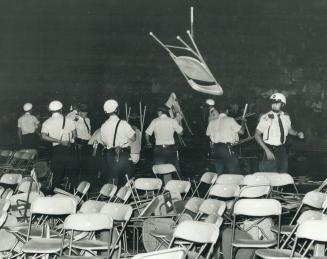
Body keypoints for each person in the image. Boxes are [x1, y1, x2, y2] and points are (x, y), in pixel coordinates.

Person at [255, 93, 304, 172]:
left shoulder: (286, 117)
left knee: (282, 177)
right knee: (270, 178)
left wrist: (297, 133)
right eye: (272, 103)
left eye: (277, 103)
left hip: (282, 150)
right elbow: (257, 135)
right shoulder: (265, 117)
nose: (274, 105)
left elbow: (289, 129)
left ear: (282, 104)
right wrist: (267, 150)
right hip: (270, 150)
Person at [41, 100, 78, 190]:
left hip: (57, 150)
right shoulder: (69, 120)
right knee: (72, 175)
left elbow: (43, 136)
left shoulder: (46, 122)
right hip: (69, 149)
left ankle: (55, 196)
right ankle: (73, 194)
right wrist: (70, 141)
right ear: (61, 110)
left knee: (57, 175)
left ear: (50, 110)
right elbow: (75, 135)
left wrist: (59, 141)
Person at [100, 99, 136, 186]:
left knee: (112, 176)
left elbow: (104, 142)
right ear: (116, 110)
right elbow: (134, 138)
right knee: (124, 178)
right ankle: (122, 197)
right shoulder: (124, 123)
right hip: (122, 153)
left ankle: (112, 197)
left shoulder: (104, 125)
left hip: (109, 153)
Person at [145, 106, 183, 182]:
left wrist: (148, 142)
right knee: (175, 169)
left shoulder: (155, 121)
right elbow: (181, 133)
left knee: (158, 171)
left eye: (157, 113)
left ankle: (158, 188)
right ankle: (178, 187)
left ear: (160, 112)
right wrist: (179, 122)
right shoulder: (172, 121)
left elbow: (146, 134)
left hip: (159, 149)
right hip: (170, 149)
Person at [206, 104, 245, 174]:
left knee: (219, 173)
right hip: (227, 149)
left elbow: (207, 133)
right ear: (227, 111)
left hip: (216, 150)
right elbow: (242, 132)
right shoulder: (230, 120)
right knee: (234, 174)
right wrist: (243, 122)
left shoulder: (212, 122)